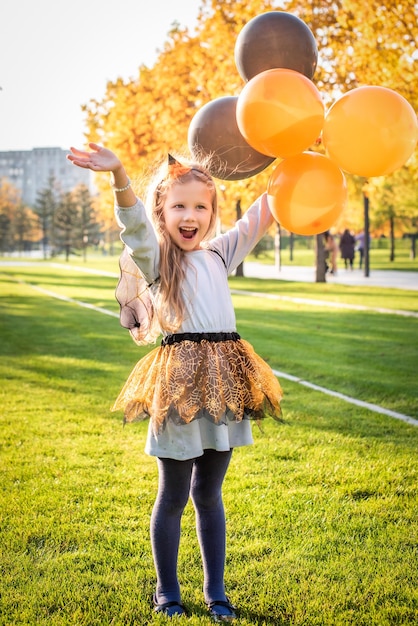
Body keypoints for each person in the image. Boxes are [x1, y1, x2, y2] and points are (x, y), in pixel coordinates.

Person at [67, 143, 283, 622]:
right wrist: (120, 173)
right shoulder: (157, 258)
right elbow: (133, 225)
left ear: (211, 213)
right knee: (173, 494)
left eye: (200, 207)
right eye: (178, 206)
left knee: (210, 494)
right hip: (180, 386)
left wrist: (291, 159)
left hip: (225, 382)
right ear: (161, 212)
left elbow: (260, 214)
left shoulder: (220, 254)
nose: (190, 216)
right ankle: (167, 593)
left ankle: (216, 593)